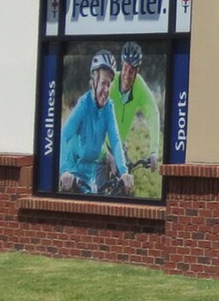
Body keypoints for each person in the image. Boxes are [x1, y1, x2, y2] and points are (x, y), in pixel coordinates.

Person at [58, 49, 132, 196]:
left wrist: (124, 171)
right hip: (73, 179)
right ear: (93, 82)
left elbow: (115, 140)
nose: (106, 90)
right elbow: (63, 137)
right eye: (103, 83)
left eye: (109, 84)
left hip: (91, 181)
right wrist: (64, 171)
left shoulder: (108, 108)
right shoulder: (83, 105)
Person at [111, 42, 161, 174]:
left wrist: (154, 151)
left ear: (137, 70)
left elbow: (153, 112)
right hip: (100, 146)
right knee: (98, 190)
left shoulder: (139, 86)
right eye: (126, 68)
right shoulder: (111, 82)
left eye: (132, 70)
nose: (127, 74)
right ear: (122, 64)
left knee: (126, 185)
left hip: (119, 147)